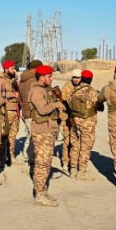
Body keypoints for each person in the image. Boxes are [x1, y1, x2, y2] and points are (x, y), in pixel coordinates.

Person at [28, 65, 66, 206]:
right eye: (49, 76)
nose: (51, 78)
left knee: (46, 162)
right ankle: (39, 195)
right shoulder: (37, 91)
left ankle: (42, 190)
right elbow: (43, 110)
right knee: (42, 163)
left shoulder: (44, 90)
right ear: (42, 77)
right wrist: (56, 105)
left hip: (48, 130)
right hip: (42, 131)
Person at [67, 70, 99, 180]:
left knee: (75, 145)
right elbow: (97, 105)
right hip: (87, 122)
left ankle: (73, 169)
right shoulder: (92, 91)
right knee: (85, 146)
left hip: (75, 121)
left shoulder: (74, 90)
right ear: (90, 79)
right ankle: (82, 170)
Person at [16, 59, 42, 170]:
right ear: (35, 69)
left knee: (30, 134)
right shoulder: (32, 80)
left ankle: (28, 156)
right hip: (31, 112)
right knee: (32, 135)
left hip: (27, 111)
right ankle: (27, 157)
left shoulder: (24, 79)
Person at [0, 60, 20, 167]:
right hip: (6, 111)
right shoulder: (0, 80)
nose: (15, 70)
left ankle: (11, 155)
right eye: (12, 68)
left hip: (15, 110)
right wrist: (12, 94)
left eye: (14, 68)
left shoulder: (14, 79)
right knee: (3, 136)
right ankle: (0, 157)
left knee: (13, 135)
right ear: (6, 69)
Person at [58, 69, 82, 176]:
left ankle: (74, 162)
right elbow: (61, 101)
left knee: (76, 141)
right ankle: (65, 161)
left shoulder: (83, 87)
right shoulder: (66, 87)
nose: (76, 80)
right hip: (67, 117)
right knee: (67, 141)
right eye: (75, 78)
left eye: (78, 78)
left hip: (78, 118)